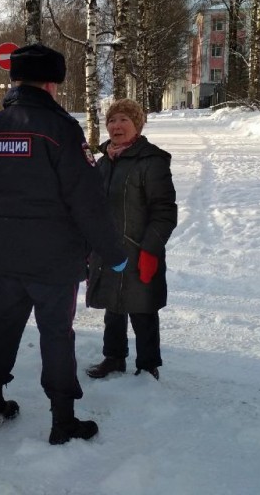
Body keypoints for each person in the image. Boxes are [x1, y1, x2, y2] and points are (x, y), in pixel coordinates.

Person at [0, 44, 128, 445]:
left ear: (15, 80)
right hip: (54, 259)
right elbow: (87, 201)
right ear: (51, 83)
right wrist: (114, 252)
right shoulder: (60, 130)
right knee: (56, 334)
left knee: (2, 326)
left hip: (6, 255)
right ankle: (63, 420)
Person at [85, 99, 177, 381]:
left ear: (137, 125)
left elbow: (164, 211)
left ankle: (148, 365)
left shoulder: (152, 161)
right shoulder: (103, 163)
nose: (116, 125)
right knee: (113, 306)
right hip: (109, 249)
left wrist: (150, 249)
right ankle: (113, 358)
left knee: (142, 309)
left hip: (139, 249)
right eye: (112, 120)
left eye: (124, 119)